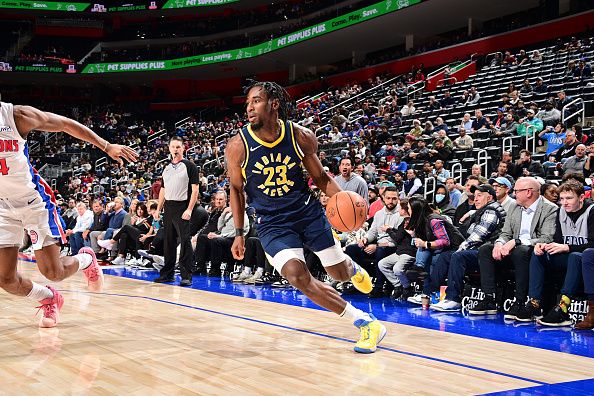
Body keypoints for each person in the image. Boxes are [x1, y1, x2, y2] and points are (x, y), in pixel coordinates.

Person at [225, 81, 385, 353]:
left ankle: (352, 268)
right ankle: (365, 322)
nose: (250, 108)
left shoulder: (300, 136)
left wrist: (344, 204)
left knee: (339, 273)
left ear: (274, 104)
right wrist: (239, 233)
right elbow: (236, 190)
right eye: (248, 103)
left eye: (256, 101)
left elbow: (321, 178)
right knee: (296, 275)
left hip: (307, 213)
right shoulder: (237, 146)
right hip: (272, 223)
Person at [0, 101, 137, 328]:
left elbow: (64, 124)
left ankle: (86, 259)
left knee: (53, 271)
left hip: (34, 203)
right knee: (5, 278)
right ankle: (48, 297)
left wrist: (106, 146)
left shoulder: (17, 116)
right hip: (2, 208)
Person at [474, 178, 557, 317]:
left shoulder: (549, 209)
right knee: (485, 250)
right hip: (512, 248)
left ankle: (520, 301)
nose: (513, 194)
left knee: (521, 251)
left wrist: (517, 241)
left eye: (517, 191)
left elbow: (547, 238)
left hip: (533, 250)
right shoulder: (514, 206)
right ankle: (489, 298)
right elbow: (506, 233)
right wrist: (499, 243)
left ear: (529, 192)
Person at [518, 181, 594, 325]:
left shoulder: (591, 211)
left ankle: (563, 308)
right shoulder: (560, 211)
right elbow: (558, 240)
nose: (564, 203)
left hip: (585, 259)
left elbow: (592, 244)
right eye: (562, 198)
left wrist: (567, 247)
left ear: (582, 197)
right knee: (538, 254)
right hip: (568, 256)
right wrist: (545, 246)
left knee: (575, 256)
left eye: (569, 198)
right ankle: (534, 303)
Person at [430, 184, 506, 311]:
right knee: (445, 256)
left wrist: (461, 247)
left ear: (489, 198)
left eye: (479, 196)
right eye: (475, 196)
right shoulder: (482, 210)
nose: (475, 199)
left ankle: (453, 299)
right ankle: (430, 293)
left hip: (488, 252)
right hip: (479, 249)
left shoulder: (491, 211)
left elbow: (478, 235)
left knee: (458, 256)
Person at [153, 136, 200, 287]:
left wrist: (189, 209)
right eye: (173, 147)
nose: (175, 149)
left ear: (183, 148)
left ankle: (186, 275)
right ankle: (167, 274)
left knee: (185, 241)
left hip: (182, 206)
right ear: (169, 148)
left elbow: (195, 190)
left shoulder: (189, 166)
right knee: (168, 242)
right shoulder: (166, 168)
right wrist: (159, 209)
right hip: (169, 208)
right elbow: (163, 190)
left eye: (178, 147)